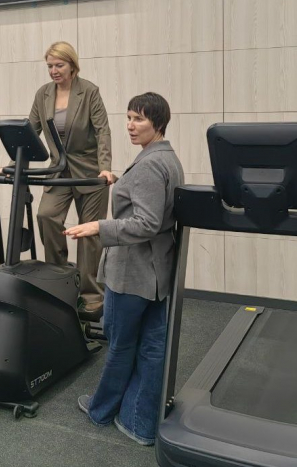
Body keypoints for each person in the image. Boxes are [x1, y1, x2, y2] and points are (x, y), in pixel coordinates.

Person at [64, 92, 184, 446]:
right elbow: (151, 207)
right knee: (152, 347)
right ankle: (139, 422)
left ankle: (101, 409)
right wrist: (123, 185)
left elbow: (146, 223)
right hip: (156, 274)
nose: (130, 126)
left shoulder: (148, 165)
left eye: (139, 119)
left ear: (158, 122)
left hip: (133, 272)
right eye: (129, 118)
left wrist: (98, 226)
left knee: (120, 344)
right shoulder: (166, 158)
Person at [29, 41, 115, 321]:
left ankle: (91, 296)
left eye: (59, 65)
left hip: (89, 172)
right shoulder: (43, 94)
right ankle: (59, 281)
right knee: (46, 216)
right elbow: (30, 132)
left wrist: (105, 167)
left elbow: (102, 131)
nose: (54, 71)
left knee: (89, 234)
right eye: (50, 66)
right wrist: (15, 164)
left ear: (72, 66)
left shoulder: (89, 91)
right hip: (58, 171)